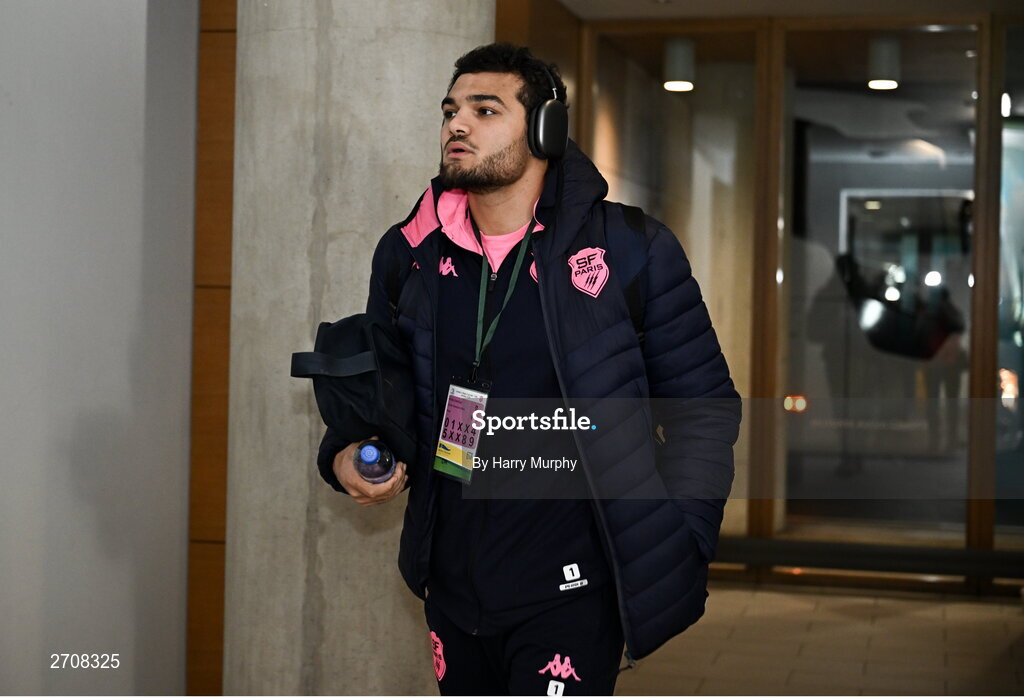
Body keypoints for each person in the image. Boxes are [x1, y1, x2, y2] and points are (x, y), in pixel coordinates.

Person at [316, 43, 741, 696]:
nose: (458, 124)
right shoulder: (411, 257)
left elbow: (702, 406)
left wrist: (680, 540)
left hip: (572, 589)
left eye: (486, 110)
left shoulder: (632, 251)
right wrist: (353, 449)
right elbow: (388, 390)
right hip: (451, 587)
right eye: (450, 110)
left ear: (546, 129)